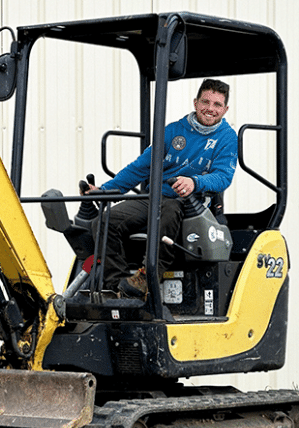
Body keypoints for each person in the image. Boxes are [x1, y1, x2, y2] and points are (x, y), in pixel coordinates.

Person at [85, 78, 237, 298]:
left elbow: (223, 176)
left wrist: (194, 182)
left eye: (217, 105)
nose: (210, 109)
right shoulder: (173, 131)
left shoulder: (226, 138)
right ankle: (118, 287)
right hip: (156, 197)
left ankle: (147, 278)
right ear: (195, 103)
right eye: (206, 102)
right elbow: (141, 167)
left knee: (168, 211)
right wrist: (106, 190)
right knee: (105, 221)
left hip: (190, 202)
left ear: (225, 109)